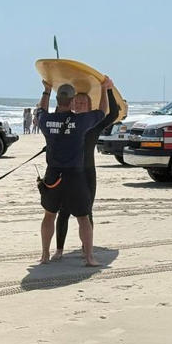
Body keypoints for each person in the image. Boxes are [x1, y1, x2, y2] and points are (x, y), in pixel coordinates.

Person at [36, 77, 111, 266]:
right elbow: (102, 112)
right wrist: (104, 88)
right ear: (71, 102)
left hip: (53, 175)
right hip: (75, 175)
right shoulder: (80, 121)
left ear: (57, 100)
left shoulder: (46, 121)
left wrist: (46, 90)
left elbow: (40, 110)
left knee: (49, 215)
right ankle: (89, 257)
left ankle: (45, 255)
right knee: (83, 217)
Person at [51, 86, 120, 261]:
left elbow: (113, 114)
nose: (80, 104)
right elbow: (55, 115)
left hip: (87, 173)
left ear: (90, 106)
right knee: (63, 211)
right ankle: (59, 249)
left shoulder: (94, 123)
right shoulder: (68, 121)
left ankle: (86, 248)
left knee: (87, 212)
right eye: (77, 101)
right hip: (69, 171)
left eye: (84, 102)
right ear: (72, 103)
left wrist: (109, 90)